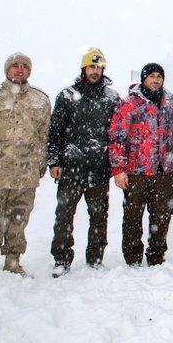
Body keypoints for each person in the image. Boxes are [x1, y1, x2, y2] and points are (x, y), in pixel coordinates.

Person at [0, 52, 51, 284]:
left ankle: (13, 261)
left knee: (19, 219)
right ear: (7, 69)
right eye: (15, 66)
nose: (19, 69)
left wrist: (41, 164)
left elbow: (44, 136)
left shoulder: (40, 99)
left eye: (24, 66)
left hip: (25, 173)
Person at [47, 47, 119, 277]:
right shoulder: (67, 95)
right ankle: (61, 259)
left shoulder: (112, 97)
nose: (95, 71)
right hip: (71, 167)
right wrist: (54, 161)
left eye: (99, 67)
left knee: (99, 216)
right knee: (64, 216)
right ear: (83, 68)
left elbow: (117, 133)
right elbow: (55, 131)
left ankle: (95, 258)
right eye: (91, 66)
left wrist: (113, 162)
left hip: (99, 168)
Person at [109, 63, 173, 267]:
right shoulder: (130, 102)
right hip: (136, 172)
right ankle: (132, 258)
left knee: (161, 217)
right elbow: (117, 137)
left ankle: (156, 258)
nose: (156, 80)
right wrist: (118, 170)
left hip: (163, 172)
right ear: (144, 79)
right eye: (151, 76)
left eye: (159, 76)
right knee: (133, 218)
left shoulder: (170, 101)